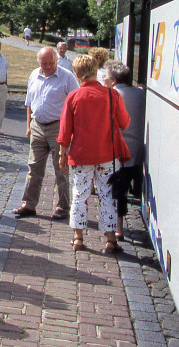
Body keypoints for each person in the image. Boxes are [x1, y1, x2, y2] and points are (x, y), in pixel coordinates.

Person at [58, 56, 130, 254]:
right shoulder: (112, 95)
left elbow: (65, 132)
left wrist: (62, 154)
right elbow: (125, 122)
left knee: (80, 195)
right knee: (107, 196)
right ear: (95, 69)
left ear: (78, 74)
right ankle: (110, 241)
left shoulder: (73, 97)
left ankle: (78, 238)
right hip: (107, 153)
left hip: (81, 155)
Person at [12, 47, 79, 220]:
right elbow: (29, 102)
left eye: (51, 63)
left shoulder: (67, 78)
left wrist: (70, 132)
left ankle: (63, 206)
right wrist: (29, 126)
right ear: (39, 62)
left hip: (59, 128)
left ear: (57, 60)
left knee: (61, 169)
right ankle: (29, 204)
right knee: (34, 167)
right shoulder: (34, 75)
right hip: (37, 126)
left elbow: (76, 106)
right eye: (44, 63)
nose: (48, 67)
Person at [104, 61, 145, 241]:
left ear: (113, 80)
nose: (103, 78)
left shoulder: (112, 96)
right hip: (137, 151)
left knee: (118, 191)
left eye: (105, 76)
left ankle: (118, 228)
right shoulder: (140, 94)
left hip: (120, 153)